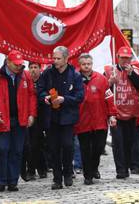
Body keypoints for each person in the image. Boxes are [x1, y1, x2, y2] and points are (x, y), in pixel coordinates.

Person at [0, 50, 37, 192]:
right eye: (16, 64)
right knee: (2, 150)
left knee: (17, 151)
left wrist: (32, 114)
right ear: (8, 62)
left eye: (20, 64)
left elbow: (32, 95)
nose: (18, 67)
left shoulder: (25, 76)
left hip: (20, 120)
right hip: (3, 120)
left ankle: (13, 181)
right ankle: (1, 181)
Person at [37, 46, 84, 190]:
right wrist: (44, 97)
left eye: (58, 58)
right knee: (54, 148)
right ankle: (57, 178)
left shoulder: (74, 75)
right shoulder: (48, 73)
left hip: (68, 117)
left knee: (68, 145)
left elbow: (79, 96)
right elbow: (40, 89)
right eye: (54, 58)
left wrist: (65, 99)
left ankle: (68, 172)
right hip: (51, 117)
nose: (55, 61)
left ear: (66, 58)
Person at [75, 53, 116, 185]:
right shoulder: (75, 78)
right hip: (83, 121)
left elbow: (109, 98)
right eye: (84, 64)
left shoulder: (101, 79)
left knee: (98, 148)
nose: (87, 67)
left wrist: (112, 115)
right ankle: (88, 175)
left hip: (99, 121)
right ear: (79, 65)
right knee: (85, 149)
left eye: (89, 64)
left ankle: (94, 168)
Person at [108, 46, 139, 179]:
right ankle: (121, 170)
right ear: (117, 57)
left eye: (127, 58)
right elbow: (104, 90)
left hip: (132, 113)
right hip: (116, 113)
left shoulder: (137, 71)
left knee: (129, 142)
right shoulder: (110, 70)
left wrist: (131, 74)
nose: (125, 61)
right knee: (118, 143)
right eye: (122, 58)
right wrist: (110, 82)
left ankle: (128, 165)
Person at [21, 62, 48, 181]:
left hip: (42, 115)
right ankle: (31, 170)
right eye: (31, 67)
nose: (33, 70)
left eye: (35, 67)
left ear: (40, 68)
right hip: (29, 116)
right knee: (30, 144)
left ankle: (42, 168)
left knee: (39, 144)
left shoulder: (44, 80)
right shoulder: (25, 81)